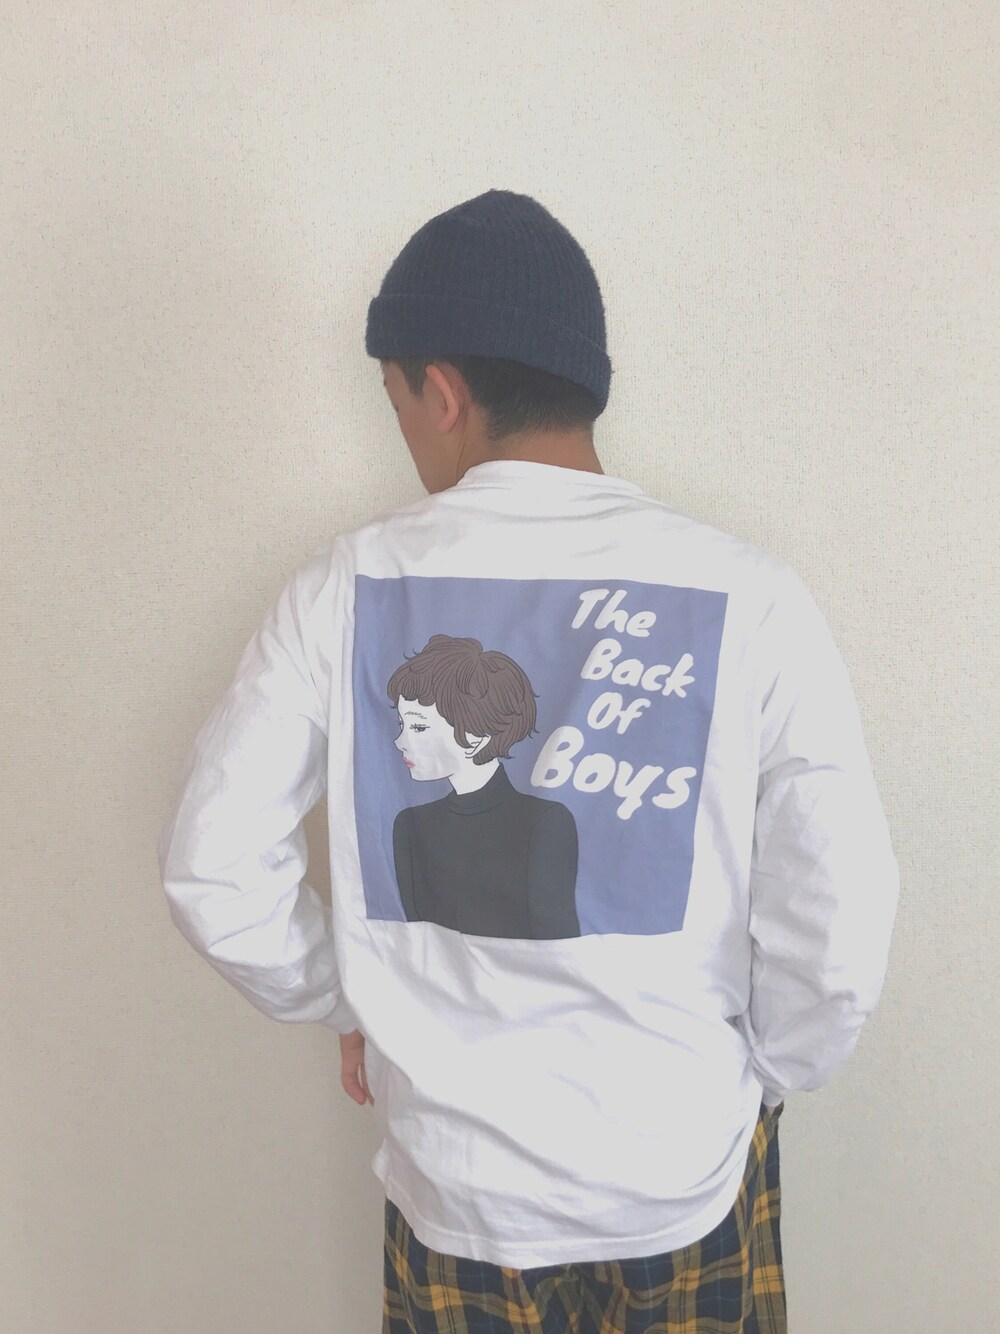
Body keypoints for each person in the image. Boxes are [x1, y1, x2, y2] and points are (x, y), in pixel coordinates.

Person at [157, 189, 900, 1333]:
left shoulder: (342, 586)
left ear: (442, 391)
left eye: (395, 398)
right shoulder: (749, 593)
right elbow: (837, 918)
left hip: (459, 1200)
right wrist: (765, 1071)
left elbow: (213, 869)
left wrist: (347, 994)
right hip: (680, 1180)